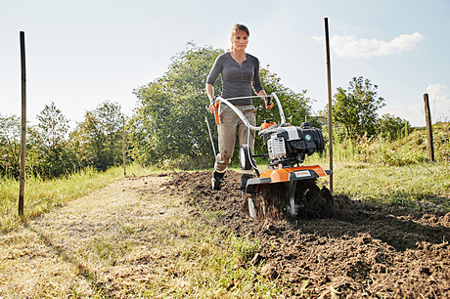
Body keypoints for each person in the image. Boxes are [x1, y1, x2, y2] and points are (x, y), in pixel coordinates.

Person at [206, 23, 273, 194]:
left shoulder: (253, 61)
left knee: (247, 150)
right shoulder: (223, 59)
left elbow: (257, 86)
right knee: (225, 153)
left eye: (244, 38)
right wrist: (212, 99)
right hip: (228, 109)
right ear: (232, 39)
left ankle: (245, 187)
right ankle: (218, 175)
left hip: (248, 109)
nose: (241, 41)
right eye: (238, 37)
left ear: (248, 40)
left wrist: (265, 97)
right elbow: (210, 83)